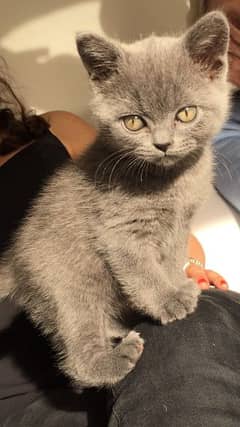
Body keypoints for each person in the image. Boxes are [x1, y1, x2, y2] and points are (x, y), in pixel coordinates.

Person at [0, 11, 240, 427]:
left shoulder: (54, 127)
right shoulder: (117, 166)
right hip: (23, 375)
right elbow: (121, 238)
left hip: (141, 315)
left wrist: (191, 270)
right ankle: (88, 358)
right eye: (135, 122)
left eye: (184, 115)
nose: (162, 141)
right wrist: (161, 296)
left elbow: (171, 227)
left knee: (192, 337)